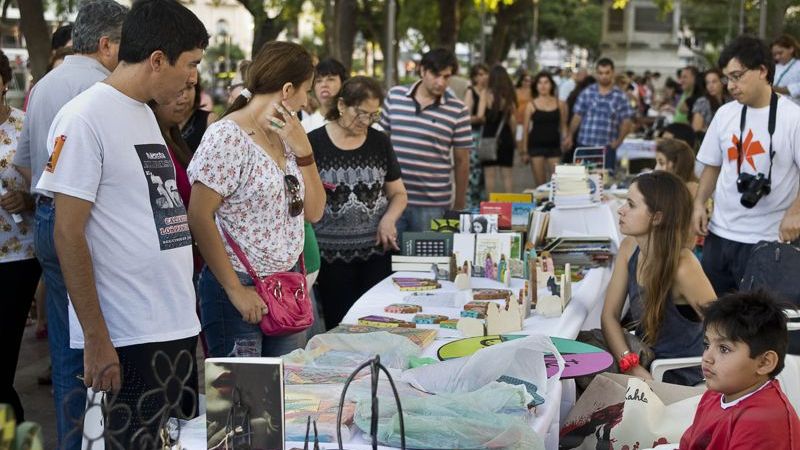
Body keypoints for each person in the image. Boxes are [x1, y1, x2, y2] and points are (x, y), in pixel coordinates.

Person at [35, 0, 207, 445]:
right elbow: (66, 233)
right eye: (190, 64)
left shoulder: (144, 114)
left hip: (171, 326)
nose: (193, 77)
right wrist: (96, 338)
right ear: (156, 60)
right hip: (125, 339)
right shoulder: (84, 117)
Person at [12, 1, 128, 447]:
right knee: (104, 341)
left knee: (66, 350)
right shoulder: (108, 88)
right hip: (87, 225)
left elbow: (26, 165)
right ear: (105, 44)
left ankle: (73, 440)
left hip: (47, 216)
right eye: (126, 44)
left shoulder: (43, 86)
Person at [187, 41, 325, 359]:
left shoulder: (290, 134)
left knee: (283, 392)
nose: (309, 99)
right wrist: (235, 290)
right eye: (307, 90)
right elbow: (199, 216)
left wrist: (305, 154)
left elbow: (314, 213)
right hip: (239, 284)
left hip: (287, 284)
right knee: (243, 401)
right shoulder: (227, 137)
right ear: (288, 89)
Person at [693, 36, 800, 296]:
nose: (731, 85)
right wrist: (698, 203)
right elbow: (712, 166)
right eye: (727, 78)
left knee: (760, 328)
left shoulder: (792, 117)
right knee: (715, 321)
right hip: (719, 236)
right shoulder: (725, 114)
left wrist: (796, 212)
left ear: (763, 70)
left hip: (769, 240)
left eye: (737, 76)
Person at [310, 76, 408, 329]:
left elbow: (398, 193)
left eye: (373, 115)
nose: (366, 121)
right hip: (331, 258)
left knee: (376, 325)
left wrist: (389, 219)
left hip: (375, 252)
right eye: (361, 113)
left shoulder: (379, 142)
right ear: (342, 105)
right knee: (338, 326)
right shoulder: (314, 143)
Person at [600, 171, 716, 385]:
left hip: (678, 377)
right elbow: (609, 315)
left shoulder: (683, 266)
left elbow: (722, 328)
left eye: (631, 205)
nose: (621, 210)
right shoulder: (629, 247)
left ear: (657, 217)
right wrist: (629, 363)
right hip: (643, 364)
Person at [679, 291, 800, 449]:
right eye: (707, 345)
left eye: (724, 349)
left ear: (764, 362)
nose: (707, 357)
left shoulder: (762, 421)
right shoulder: (714, 395)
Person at [379, 48, 471, 232]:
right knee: (391, 258)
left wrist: (460, 204)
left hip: (433, 203)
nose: (441, 82)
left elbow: (462, 160)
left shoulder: (458, 110)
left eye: (446, 77)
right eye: (436, 75)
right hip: (393, 199)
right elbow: (381, 144)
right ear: (422, 71)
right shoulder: (395, 97)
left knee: (430, 259)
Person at [0, 50, 40, 425]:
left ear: (4, 82)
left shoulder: (24, 127)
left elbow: (49, 188)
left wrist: (26, 199)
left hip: (17, 258)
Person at [566, 57, 635, 170]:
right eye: (601, 73)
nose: (604, 76)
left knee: (605, 182)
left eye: (607, 73)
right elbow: (577, 116)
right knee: (582, 181)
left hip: (606, 148)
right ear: (596, 74)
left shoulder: (620, 96)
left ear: (613, 73)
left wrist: (618, 141)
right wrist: (569, 135)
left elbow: (626, 121)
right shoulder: (587, 92)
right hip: (584, 145)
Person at [521, 71, 568, 187]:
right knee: (540, 186)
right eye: (540, 83)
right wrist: (524, 151)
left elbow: (563, 125)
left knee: (557, 184)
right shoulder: (531, 105)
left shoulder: (560, 104)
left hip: (554, 146)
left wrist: (566, 140)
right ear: (536, 86)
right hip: (536, 147)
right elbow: (525, 130)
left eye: (546, 82)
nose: (543, 86)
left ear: (551, 85)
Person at [478, 65, 516, 193]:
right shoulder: (509, 95)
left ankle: (491, 208)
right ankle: (509, 207)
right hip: (506, 136)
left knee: (489, 177)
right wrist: (515, 137)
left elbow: (480, 116)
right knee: (507, 177)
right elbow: (513, 120)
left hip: (489, 136)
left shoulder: (485, 93)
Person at [301, 58, 348, 132]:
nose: (324, 85)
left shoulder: (355, 124)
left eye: (330, 79)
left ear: (343, 83)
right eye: (318, 81)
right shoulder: (304, 127)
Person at [464, 63, 488, 208]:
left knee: (483, 175)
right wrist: (480, 118)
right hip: (473, 135)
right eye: (479, 74)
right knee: (474, 172)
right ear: (474, 77)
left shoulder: (488, 92)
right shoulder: (471, 91)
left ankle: (480, 204)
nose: (483, 77)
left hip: (485, 136)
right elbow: (466, 116)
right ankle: (470, 206)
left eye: (484, 73)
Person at [181, 80, 218, 152]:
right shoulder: (159, 121)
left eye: (189, 87)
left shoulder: (210, 119)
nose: (184, 95)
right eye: (178, 88)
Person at [692, 69, 728, 133]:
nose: (710, 86)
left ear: (722, 83)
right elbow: (697, 129)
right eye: (708, 82)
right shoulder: (702, 102)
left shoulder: (729, 100)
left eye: (714, 82)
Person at [771, 34, 800, 104]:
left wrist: (778, 89)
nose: (777, 57)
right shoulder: (774, 67)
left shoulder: (798, 65)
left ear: (791, 49)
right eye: (774, 54)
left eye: (780, 53)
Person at [514, 69, 533, 149]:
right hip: (518, 120)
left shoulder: (533, 92)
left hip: (530, 120)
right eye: (525, 81)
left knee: (529, 140)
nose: (527, 83)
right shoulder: (516, 91)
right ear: (521, 81)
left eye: (529, 81)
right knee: (518, 139)